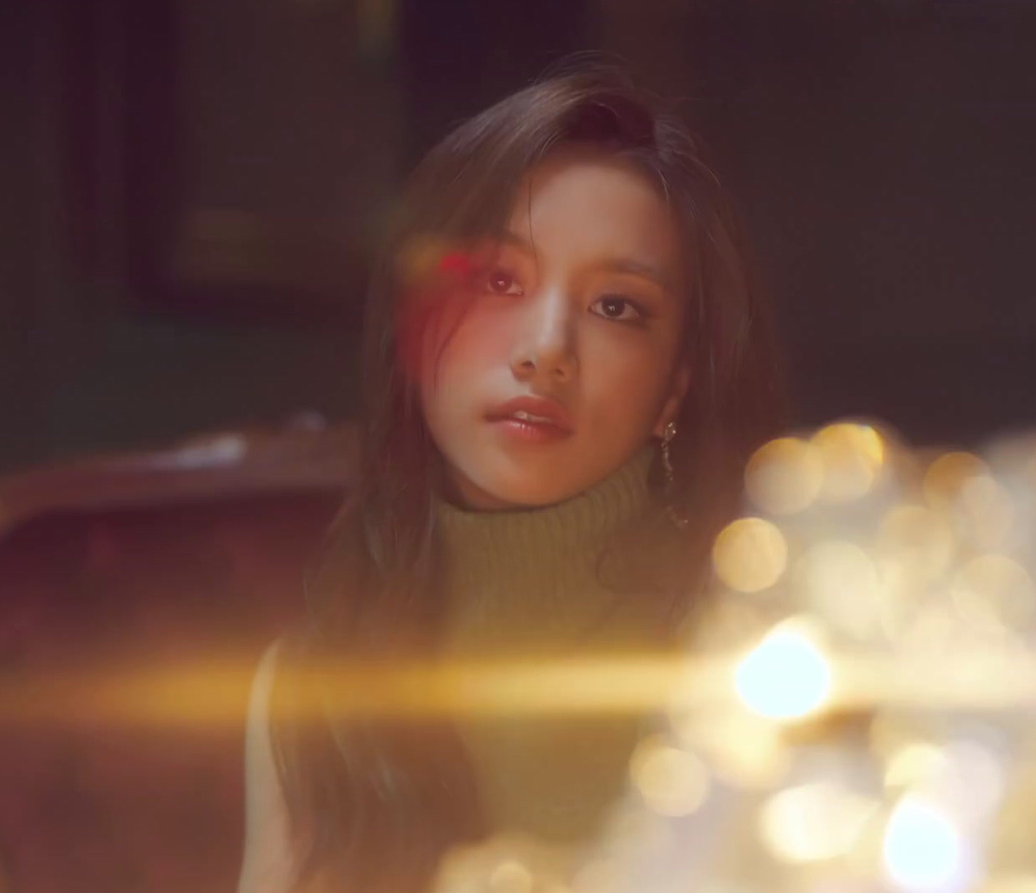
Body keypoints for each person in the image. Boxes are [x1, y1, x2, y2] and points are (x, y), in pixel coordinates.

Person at [239, 63, 785, 893]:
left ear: (674, 385)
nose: (546, 347)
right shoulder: (312, 678)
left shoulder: (760, 664)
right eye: (500, 280)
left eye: (616, 307)